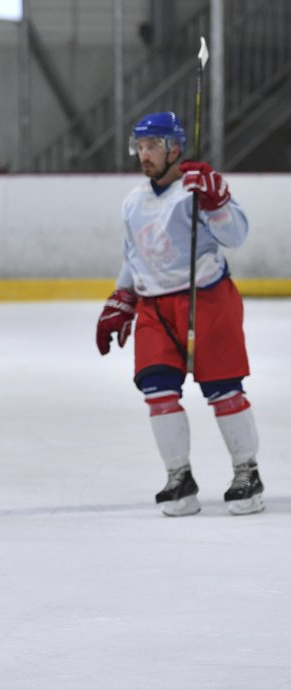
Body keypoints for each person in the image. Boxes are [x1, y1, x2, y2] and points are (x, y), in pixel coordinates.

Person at [96, 111, 263, 517]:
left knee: (224, 389)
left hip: (206, 298)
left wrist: (218, 201)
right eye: (140, 146)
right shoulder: (133, 202)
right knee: (157, 391)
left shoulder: (197, 189)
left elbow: (235, 236)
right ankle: (179, 477)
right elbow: (134, 256)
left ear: (175, 147)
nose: (144, 154)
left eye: (152, 145)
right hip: (154, 307)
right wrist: (121, 298)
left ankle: (247, 472)